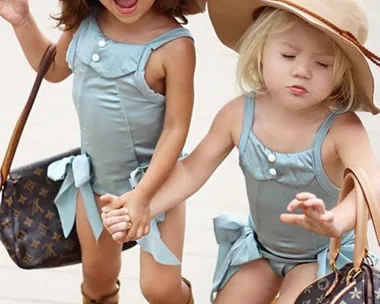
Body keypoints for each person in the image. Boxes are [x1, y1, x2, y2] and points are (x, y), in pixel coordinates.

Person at [101, 0, 380, 302]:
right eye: (288, 55)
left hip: (323, 255)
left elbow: (372, 185)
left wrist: (337, 219)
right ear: (259, 52)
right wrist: (142, 205)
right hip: (262, 249)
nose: (302, 71)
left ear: (341, 74)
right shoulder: (239, 114)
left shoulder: (342, 128)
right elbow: (193, 169)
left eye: (323, 64)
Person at [0, 0, 206, 302]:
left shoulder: (174, 46)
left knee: (159, 289)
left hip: (158, 187)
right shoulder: (85, 22)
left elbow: (176, 128)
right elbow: (53, 66)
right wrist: (22, 21)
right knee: (97, 279)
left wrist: (144, 197)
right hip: (96, 186)